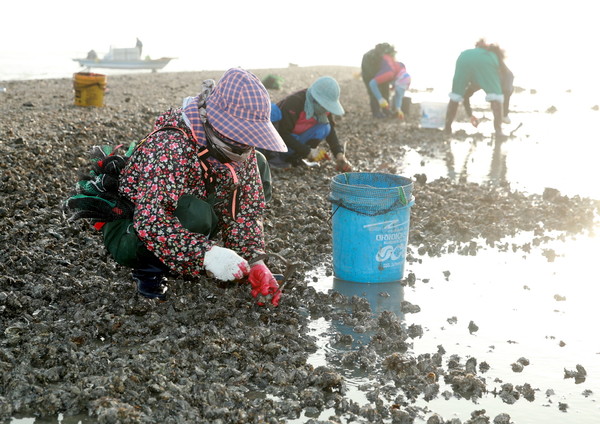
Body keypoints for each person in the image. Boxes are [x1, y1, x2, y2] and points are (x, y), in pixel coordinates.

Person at [64, 68, 288, 306]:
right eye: (240, 134)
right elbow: (151, 222)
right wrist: (207, 254)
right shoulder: (170, 144)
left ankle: (207, 255)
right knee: (195, 213)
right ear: (215, 120)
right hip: (132, 229)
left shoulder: (240, 147)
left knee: (259, 165)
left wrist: (255, 261)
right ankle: (150, 270)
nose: (245, 144)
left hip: (187, 213)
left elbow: (247, 208)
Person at [265, 76, 352, 172]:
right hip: (279, 142)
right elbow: (283, 133)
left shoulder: (324, 109)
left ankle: (295, 158)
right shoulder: (294, 102)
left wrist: (339, 155)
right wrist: (308, 152)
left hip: (297, 141)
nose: (326, 109)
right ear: (316, 99)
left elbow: (331, 132)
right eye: (325, 104)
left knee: (325, 127)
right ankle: (277, 159)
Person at [444, 40, 506, 137]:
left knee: (455, 96)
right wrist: (505, 113)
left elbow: (465, 96)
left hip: (463, 59)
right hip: (485, 62)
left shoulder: (468, 54)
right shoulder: (491, 57)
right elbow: (505, 84)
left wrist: (470, 116)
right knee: (496, 97)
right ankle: (498, 131)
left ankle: (447, 128)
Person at [463, 57, 514, 126]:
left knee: (499, 98)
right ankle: (501, 121)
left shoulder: (505, 78)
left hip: (501, 80)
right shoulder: (479, 76)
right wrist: (470, 116)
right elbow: (465, 95)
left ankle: (501, 121)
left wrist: (505, 113)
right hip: (486, 76)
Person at [361, 42, 401, 118]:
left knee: (385, 91)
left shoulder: (386, 56)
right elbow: (369, 71)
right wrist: (377, 79)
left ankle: (386, 110)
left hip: (380, 74)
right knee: (374, 93)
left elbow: (389, 67)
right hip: (369, 75)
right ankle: (376, 112)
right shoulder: (370, 56)